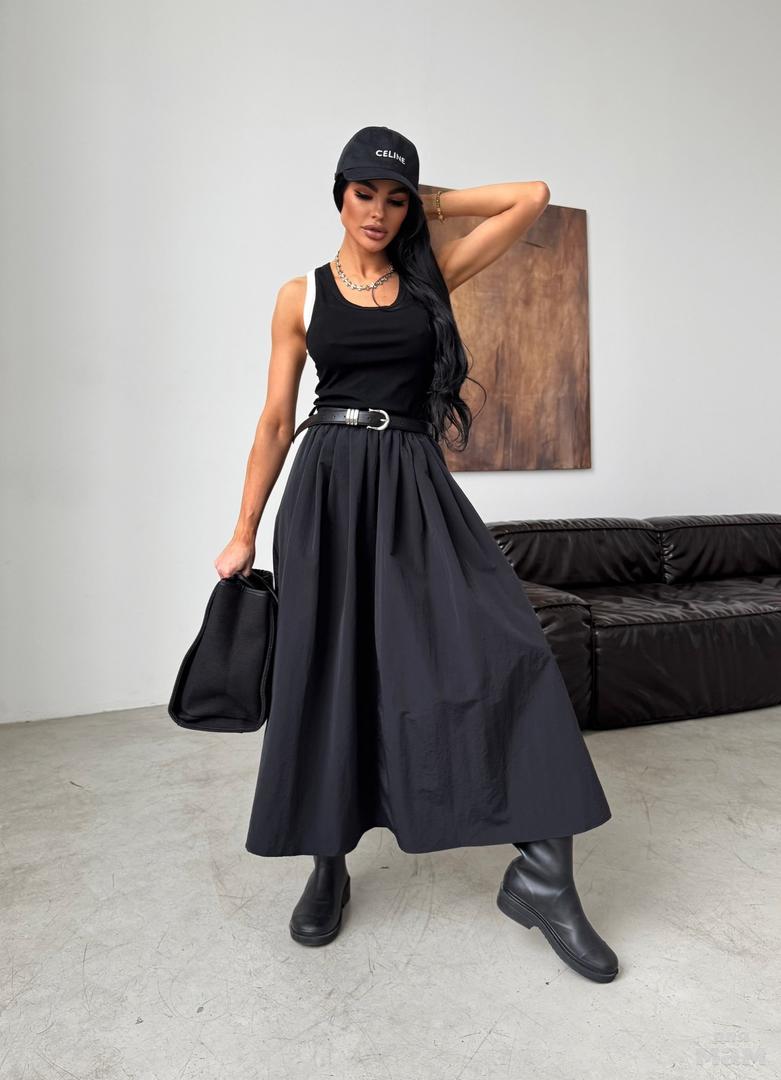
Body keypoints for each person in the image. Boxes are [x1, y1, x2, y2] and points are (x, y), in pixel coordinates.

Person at [214, 126, 619, 983]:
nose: (378, 211)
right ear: (338, 194)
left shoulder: (429, 278)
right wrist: (244, 528)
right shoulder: (299, 295)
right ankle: (327, 866)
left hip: (412, 486)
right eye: (364, 192)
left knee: (508, 648)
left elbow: (531, 196)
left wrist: (427, 200)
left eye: (394, 199)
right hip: (325, 490)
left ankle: (543, 878)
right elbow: (275, 421)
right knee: (326, 676)